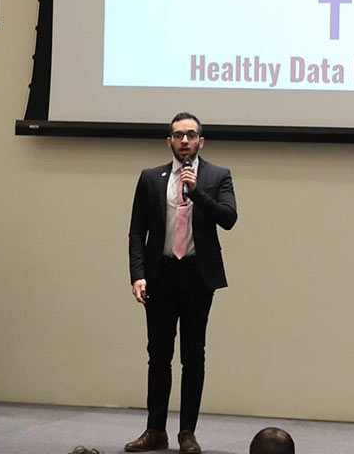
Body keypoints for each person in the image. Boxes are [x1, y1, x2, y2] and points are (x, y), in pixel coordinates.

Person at [125, 112, 237, 453]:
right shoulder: (150, 178)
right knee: (158, 356)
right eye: (178, 135)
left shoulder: (218, 176)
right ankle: (155, 429)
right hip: (160, 274)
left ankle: (187, 432)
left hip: (196, 275)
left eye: (190, 135)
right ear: (169, 141)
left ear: (201, 141)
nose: (184, 141)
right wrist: (137, 274)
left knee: (193, 355)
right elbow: (136, 231)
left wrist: (196, 190)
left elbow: (228, 218)